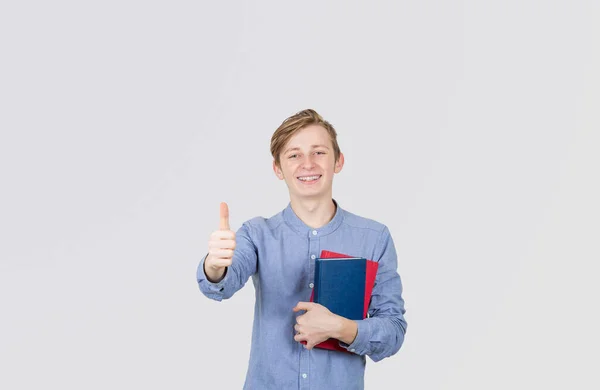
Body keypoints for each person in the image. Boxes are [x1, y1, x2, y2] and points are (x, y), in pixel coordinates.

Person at [197, 109, 407, 389]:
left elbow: (393, 332)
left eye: (318, 152)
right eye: (294, 155)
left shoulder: (374, 238)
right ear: (278, 169)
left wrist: (341, 328)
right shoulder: (257, 234)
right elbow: (221, 283)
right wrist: (215, 265)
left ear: (338, 161)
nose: (307, 163)